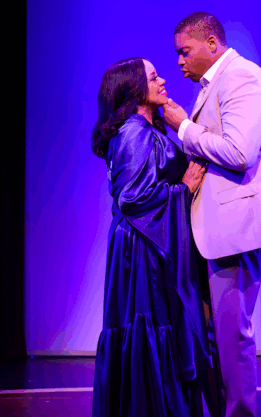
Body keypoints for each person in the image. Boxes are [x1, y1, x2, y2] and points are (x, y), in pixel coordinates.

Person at [163, 12, 261, 417]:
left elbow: (238, 152)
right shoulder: (215, 84)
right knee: (217, 335)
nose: (179, 62)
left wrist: (184, 128)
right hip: (216, 231)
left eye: (185, 51)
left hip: (238, 230)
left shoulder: (242, 77)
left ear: (212, 43)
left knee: (232, 335)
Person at [91, 57, 212, 417]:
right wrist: (184, 189)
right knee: (150, 321)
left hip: (148, 240)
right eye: (154, 77)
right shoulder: (133, 133)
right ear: (134, 89)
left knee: (160, 325)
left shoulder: (142, 129)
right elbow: (133, 199)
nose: (162, 82)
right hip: (143, 248)